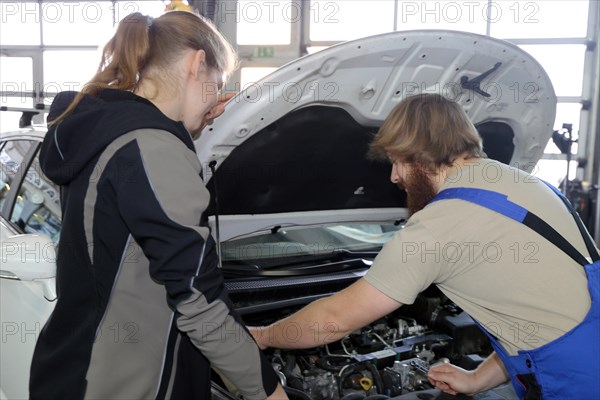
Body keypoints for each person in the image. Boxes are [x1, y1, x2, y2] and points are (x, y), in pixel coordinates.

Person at [250, 93, 600, 399]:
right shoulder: (528, 184)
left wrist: (265, 336)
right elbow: (531, 319)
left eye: (396, 161)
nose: (393, 177)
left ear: (419, 155)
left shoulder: (438, 226)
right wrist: (477, 379)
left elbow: (333, 321)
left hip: (576, 383)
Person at [31, 11, 287, 400]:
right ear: (196, 63)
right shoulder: (152, 148)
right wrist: (267, 391)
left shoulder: (108, 133)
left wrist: (193, 119)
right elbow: (196, 298)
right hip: (124, 385)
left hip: (75, 369)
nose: (216, 102)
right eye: (215, 85)